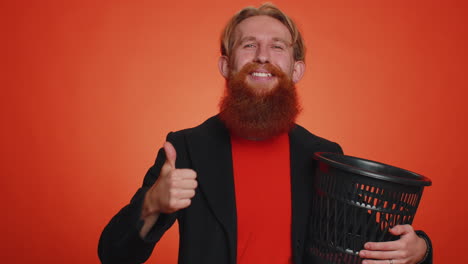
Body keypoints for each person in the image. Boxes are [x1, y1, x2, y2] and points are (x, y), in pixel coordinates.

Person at [98, 3, 432, 264]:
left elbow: (372, 241)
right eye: (248, 45)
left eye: (277, 47)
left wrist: (419, 249)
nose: (262, 56)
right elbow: (114, 254)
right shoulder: (185, 149)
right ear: (226, 66)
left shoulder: (324, 156)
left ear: (295, 69)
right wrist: (152, 205)